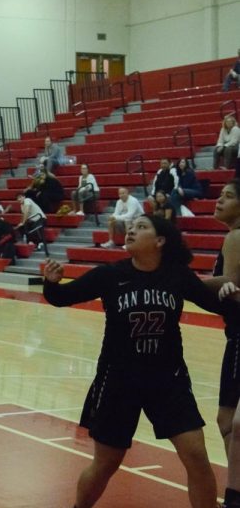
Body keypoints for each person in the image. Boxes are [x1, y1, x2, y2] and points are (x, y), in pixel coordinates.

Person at [43, 215, 225, 508]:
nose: (131, 230)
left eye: (142, 227)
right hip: (119, 380)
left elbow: (213, 303)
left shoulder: (177, 275)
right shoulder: (110, 275)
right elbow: (63, 297)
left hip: (169, 380)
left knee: (196, 455)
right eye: (131, 226)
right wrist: (51, 283)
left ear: (159, 241)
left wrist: (229, 294)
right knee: (106, 464)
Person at [203, 180, 240, 507]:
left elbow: (229, 285)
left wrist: (184, 283)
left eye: (228, 196)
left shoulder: (236, 237)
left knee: (236, 424)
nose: (219, 200)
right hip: (235, 334)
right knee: (226, 421)